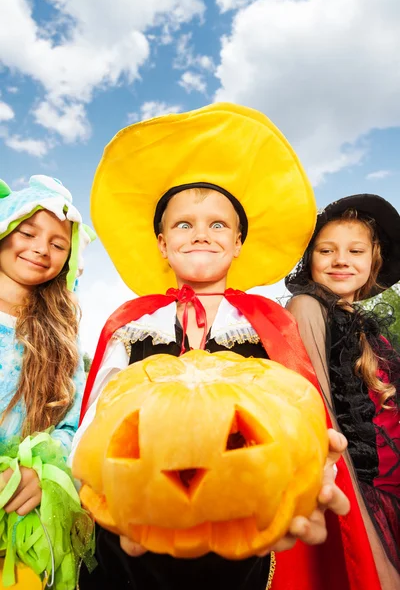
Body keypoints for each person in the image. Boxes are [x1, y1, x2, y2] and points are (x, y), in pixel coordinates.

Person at [73, 103, 369, 590]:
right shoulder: (132, 324)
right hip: (135, 525)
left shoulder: (268, 322)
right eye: (183, 224)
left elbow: (293, 415)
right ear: (163, 244)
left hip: (240, 528)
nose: (201, 234)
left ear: (236, 244)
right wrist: (95, 485)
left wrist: (308, 470)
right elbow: (100, 419)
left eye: (218, 225)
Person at [285, 194, 400, 590]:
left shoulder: (369, 329)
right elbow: (316, 408)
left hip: (390, 489)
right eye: (326, 250)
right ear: (309, 259)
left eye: (355, 250)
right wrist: (354, 515)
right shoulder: (307, 307)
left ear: (373, 261)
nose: (341, 260)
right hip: (352, 488)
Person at [0, 175, 95, 587]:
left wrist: (42, 475)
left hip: (24, 521)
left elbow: (73, 426)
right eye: (27, 232)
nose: (41, 248)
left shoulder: (64, 340)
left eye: (59, 245)